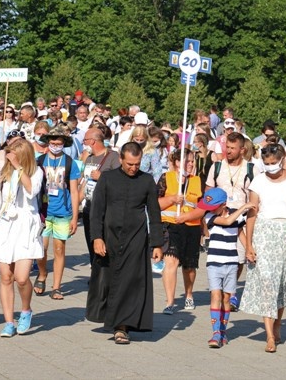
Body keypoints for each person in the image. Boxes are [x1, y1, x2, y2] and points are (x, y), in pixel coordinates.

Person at [86, 142, 164, 344]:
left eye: (137, 164)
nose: (133, 168)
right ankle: (113, 319)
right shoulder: (108, 178)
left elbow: (154, 214)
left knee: (131, 282)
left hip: (136, 239)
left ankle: (122, 327)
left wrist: (157, 243)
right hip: (109, 237)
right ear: (120, 159)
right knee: (110, 280)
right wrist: (97, 238)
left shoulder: (146, 181)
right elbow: (97, 211)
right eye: (130, 163)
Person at [240, 144, 286, 353]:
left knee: (282, 283)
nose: (270, 167)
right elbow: (252, 212)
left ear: (281, 160)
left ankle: (277, 324)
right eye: (266, 164)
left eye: (273, 163)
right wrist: (249, 244)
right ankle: (269, 335)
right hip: (264, 231)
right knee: (268, 281)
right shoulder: (259, 180)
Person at [0, 138, 44, 337]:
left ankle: (26, 309)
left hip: (25, 227)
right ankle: (9, 321)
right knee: (6, 276)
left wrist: (19, 168)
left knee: (21, 277)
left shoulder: (36, 172)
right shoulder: (3, 174)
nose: (9, 159)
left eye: (14, 156)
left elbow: (32, 190)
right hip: (4, 225)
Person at [205, 132, 260, 311]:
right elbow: (208, 193)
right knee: (222, 255)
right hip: (221, 216)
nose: (228, 151)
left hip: (242, 217)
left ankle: (231, 292)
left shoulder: (251, 169)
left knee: (239, 258)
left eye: (232, 148)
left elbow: (256, 196)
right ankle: (224, 291)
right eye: (226, 147)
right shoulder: (217, 166)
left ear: (242, 150)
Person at [198, 187, 255, 348]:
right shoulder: (209, 216)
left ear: (223, 204)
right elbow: (227, 222)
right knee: (215, 295)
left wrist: (249, 249)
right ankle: (216, 332)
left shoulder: (234, 215)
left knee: (227, 299)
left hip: (231, 262)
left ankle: (223, 331)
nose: (208, 209)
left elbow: (239, 232)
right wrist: (243, 208)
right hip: (214, 263)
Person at [33, 127, 81, 299]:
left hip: (62, 212)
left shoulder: (70, 162)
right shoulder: (39, 161)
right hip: (43, 212)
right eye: (52, 143)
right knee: (41, 249)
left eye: (59, 144)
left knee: (59, 249)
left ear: (64, 144)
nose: (55, 146)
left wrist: (75, 217)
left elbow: (74, 191)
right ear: (47, 143)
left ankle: (56, 287)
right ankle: (43, 273)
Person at [157, 148, 205, 314]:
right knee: (171, 262)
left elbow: (202, 207)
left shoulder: (197, 180)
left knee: (189, 266)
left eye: (192, 161)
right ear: (177, 162)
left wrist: (188, 218)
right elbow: (155, 204)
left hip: (191, 226)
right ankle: (170, 301)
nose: (191, 164)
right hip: (170, 225)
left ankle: (189, 294)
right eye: (187, 161)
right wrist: (171, 199)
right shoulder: (166, 178)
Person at [79, 127, 121, 264]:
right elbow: (84, 183)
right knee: (91, 243)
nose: (83, 143)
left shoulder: (113, 157)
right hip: (89, 207)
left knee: (103, 244)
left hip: (105, 208)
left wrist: (102, 177)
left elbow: (120, 180)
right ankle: (94, 273)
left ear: (92, 141)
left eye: (85, 140)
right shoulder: (89, 158)